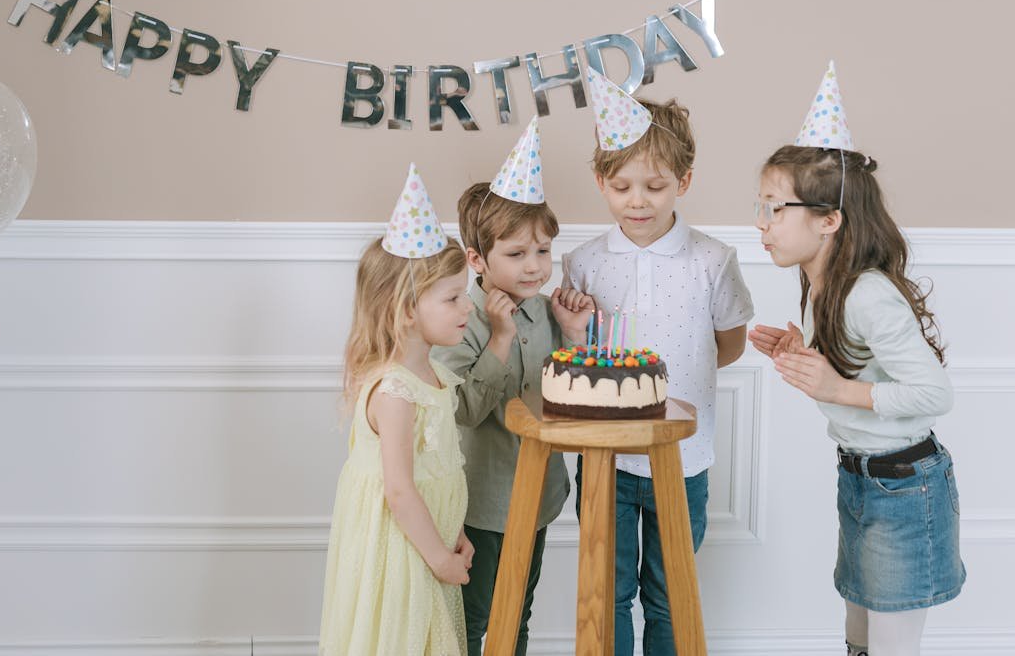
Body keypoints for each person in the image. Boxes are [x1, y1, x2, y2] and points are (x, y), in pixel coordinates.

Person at [749, 63, 965, 656]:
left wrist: (836, 387)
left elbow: (933, 394)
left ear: (828, 220)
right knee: (860, 642)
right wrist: (805, 353)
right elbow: (860, 372)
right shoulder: (822, 283)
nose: (760, 224)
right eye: (760, 207)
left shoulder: (867, 292)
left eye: (775, 209)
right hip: (861, 479)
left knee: (891, 647)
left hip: (904, 487)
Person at [562, 69, 754, 655]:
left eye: (655, 186)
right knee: (608, 589)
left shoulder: (712, 260)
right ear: (601, 182)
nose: (637, 201)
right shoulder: (583, 263)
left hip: (683, 458)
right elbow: (572, 356)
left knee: (670, 592)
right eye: (621, 187)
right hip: (606, 460)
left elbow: (729, 343)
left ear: (684, 182)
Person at [434, 118, 594, 656]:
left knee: (517, 613)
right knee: (474, 617)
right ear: (477, 260)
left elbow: (569, 399)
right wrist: (499, 339)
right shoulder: (459, 319)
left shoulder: (546, 313)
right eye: (517, 254)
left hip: (537, 494)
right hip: (481, 504)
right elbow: (462, 412)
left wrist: (571, 334)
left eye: (543, 252)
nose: (535, 267)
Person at [319, 164, 475, 656]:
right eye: (453, 298)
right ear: (409, 309)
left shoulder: (431, 377)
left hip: (430, 541)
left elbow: (439, 470)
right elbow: (401, 490)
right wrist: (438, 559)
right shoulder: (395, 392)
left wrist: (457, 532)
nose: (467, 308)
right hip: (402, 550)